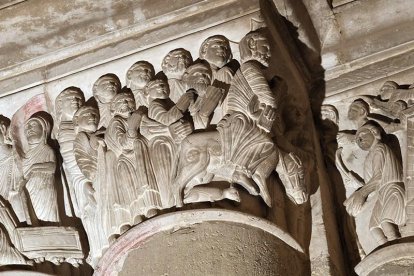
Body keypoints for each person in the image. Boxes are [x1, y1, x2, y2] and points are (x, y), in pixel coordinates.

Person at [344, 122, 406, 245]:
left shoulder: (379, 148)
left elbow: (378, 177)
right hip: (381, 193)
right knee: (374, 228)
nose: (359, 139)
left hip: (391, 188)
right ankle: (385, 251)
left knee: (386, 222)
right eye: (357, 140)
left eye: (362, 135)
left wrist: (361, 193)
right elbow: (371, 182)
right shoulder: (369, 156)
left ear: (374, 132)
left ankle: (396, 248)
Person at [23, 113, 59, 223]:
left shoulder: (47, 149)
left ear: (43, 129)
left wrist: (34, 168)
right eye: (27, 127)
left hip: (45, 188)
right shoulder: (26, 156)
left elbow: (52, 167)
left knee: (48, 217)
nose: (29, 129)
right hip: (31, 189)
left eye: (33, 125)